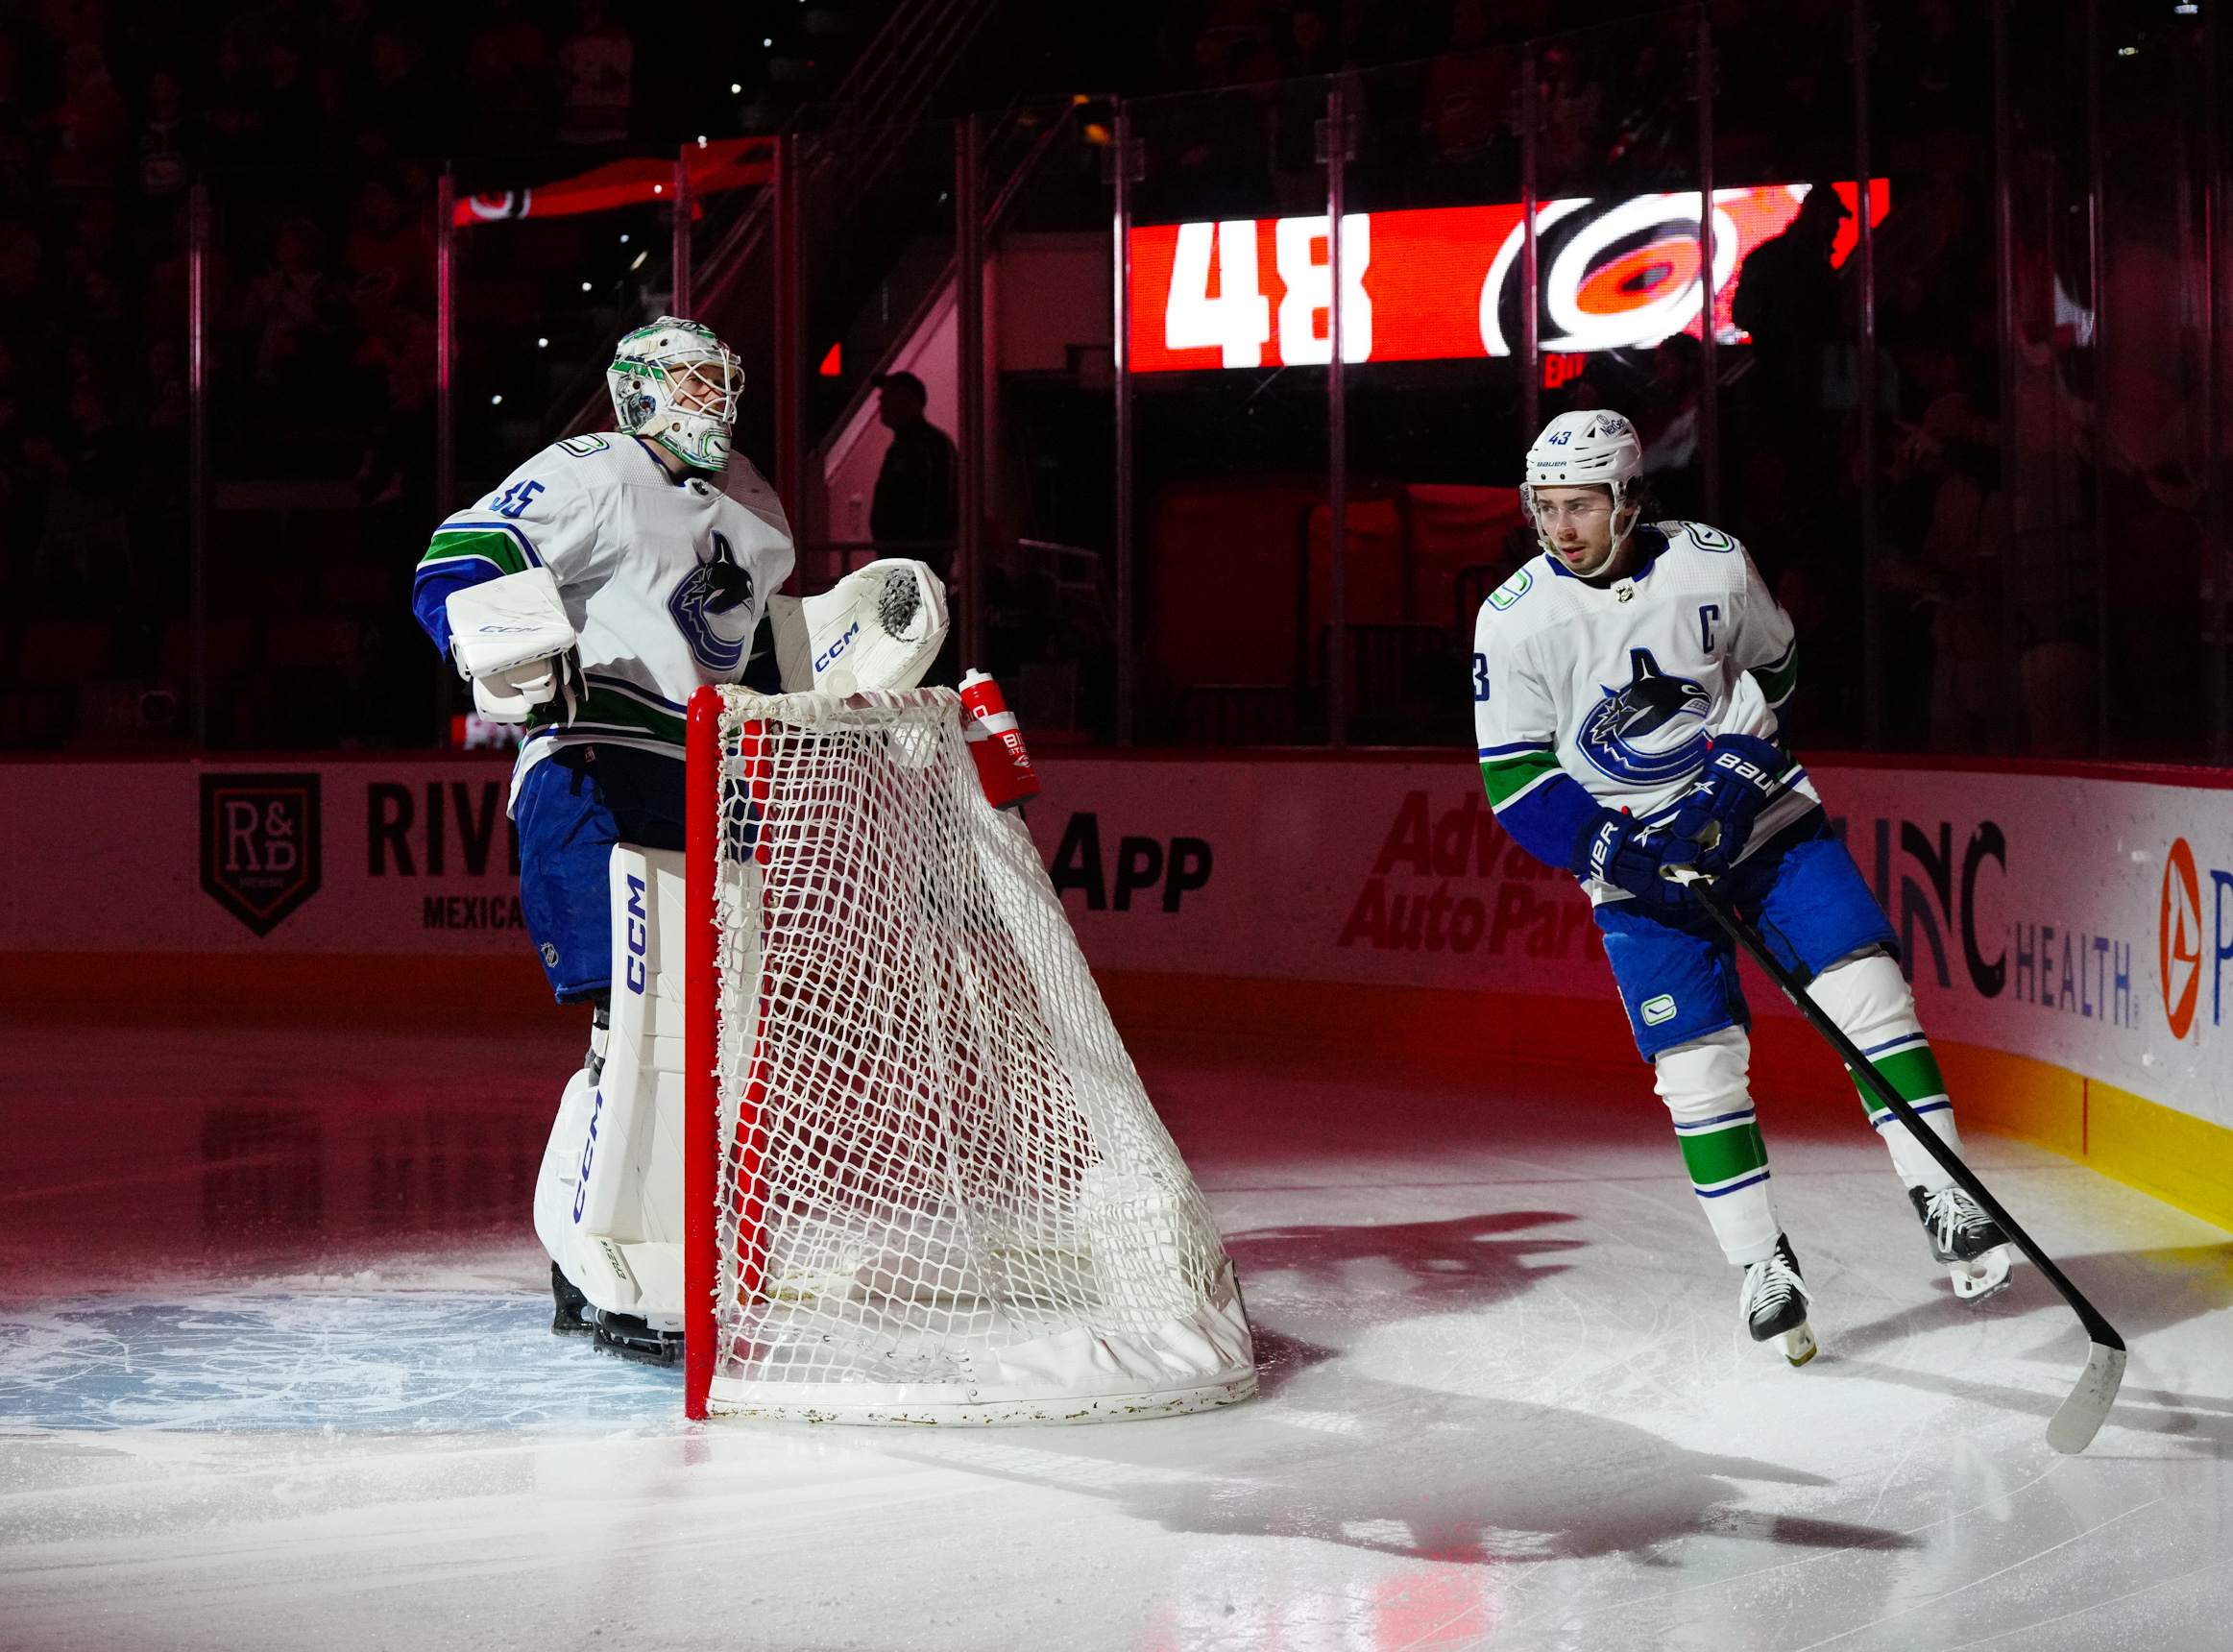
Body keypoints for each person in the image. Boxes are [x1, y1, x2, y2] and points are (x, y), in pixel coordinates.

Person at [1469, 410, 2013, 1366]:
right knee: (1696, 1068)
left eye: (1582, 506)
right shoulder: (1514, 620)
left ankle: (1945, 1189)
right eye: (1546, 507)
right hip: (1646, 880)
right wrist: (1617, 853)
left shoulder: (1711, 562)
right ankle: (1764, 1263)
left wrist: (1733, 774)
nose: (1560, 527)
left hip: (1769, 832)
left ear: (1630, 498)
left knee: (1868, 995)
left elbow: (1779, 666)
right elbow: (1515, 783)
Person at [867, 370, 957, 573]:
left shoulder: (931, 445)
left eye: (889, 394)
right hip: (899, 562)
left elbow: (943, 505)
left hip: (917, 564)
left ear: (909, 399)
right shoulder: (904, 446)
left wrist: (930, 556)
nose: (881, 401)